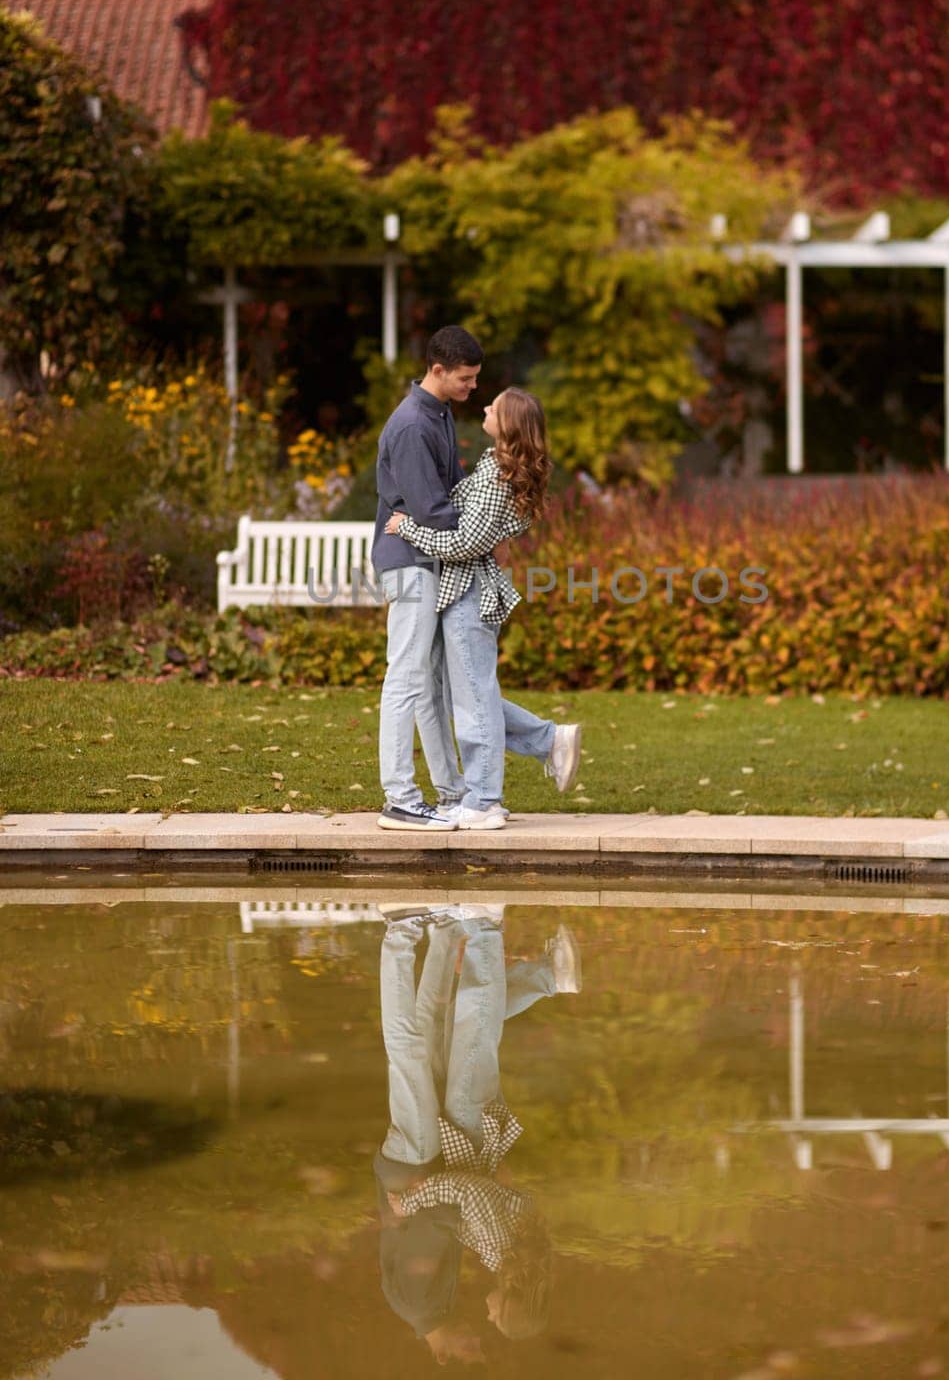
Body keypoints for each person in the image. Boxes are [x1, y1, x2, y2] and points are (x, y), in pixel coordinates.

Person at [373, 907, 580, 1359]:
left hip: (472, 1138)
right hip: (466, 1136)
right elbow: (472, 1194)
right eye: (497, 1319)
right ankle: (485, 929)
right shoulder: (498, 1251)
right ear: (511, 1301)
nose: (486, 1320)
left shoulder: (521, 1246)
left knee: (462, 1030)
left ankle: (546, 974)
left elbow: (502, 1189)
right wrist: (412, 1201)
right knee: (470, 1033)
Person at [385, 388, 581, 831]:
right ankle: (549, 739)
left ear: (509, 423)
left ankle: (484, 799)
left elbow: (464, 543)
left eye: (495, 407)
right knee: (471, 695)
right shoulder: (498, 467)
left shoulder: (497, 473)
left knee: (473, 699)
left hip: (470, 591)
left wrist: (410, 528)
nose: (486, 409)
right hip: (469, 588)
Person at [372, 326, 483, 832]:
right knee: (406, 677)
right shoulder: (414, 425)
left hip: (428, 561)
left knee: (430, 683)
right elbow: (433, 511)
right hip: (410, 562)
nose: (472, 387)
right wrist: (486, 525)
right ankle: (398, 797)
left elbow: (453, 490)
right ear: (438, 370)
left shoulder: (439, 413)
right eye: (465, 378)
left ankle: (451, 792)